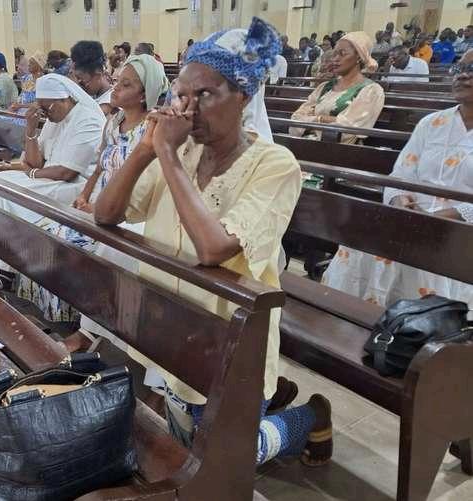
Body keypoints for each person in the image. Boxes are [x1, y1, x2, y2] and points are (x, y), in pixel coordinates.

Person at [93, 16, 332, 467]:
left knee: (227, 461)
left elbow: (214, 249)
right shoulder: (181, 151)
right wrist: (146, 149)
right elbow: (106, 214)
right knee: (189, 442)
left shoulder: (275, 164)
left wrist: (167, 154)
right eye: (181, 95)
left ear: (243, 96)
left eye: (204, 94)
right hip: (170, 325)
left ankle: (308, 417)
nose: (187, 109)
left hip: (230, 337)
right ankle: (257, 414)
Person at [16, 53, 168, 326]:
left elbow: (144, 187)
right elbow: (99, 167)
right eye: (118, 81)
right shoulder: (114, 122)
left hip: (129, 211)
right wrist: (84, 195)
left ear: (144, 95)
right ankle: (55, 313)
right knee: (46, 233)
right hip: (99, 199)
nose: (116, 89)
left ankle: (84, 320)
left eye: (126, 85)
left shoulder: (151, 130)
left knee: (72, 245)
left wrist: (97, 207)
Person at [322, 50, 473, 310]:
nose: (462, 75)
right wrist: (400, 201)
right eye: (460, 69)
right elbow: (400, 175)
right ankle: (352, 314)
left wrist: (442, 217)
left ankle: (425, 322)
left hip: (462, 227)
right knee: (363, 241)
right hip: (412, 216)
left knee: (425, 252)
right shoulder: (432, 123)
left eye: (472, 69)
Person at [0, 74, 105, 223]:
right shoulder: (54, 118)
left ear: (64, 99)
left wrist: (31, 173)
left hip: (75, 185)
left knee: (9, 193)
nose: (45, 114)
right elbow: (34, 163)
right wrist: (31, 128)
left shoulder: (88, 120)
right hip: (49, 177)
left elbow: (67, 173)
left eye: (47, 108)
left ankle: (16, 233)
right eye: (41, 108)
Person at [289, 31, 385, 144]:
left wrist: (314, 119)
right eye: (334, 54)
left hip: (342, 151)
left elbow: (348, 130)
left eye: (342, 53)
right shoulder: (325, 87)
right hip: (305, 144)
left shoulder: (371, 90)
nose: (335, 59)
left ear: (359, 57)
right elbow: (296, 119)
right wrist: (323, 120)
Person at [70, 40, 113, 113]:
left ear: (98, 75)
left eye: (81, 82)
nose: (79, 86)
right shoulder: (93, 94)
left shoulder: (108, 103)